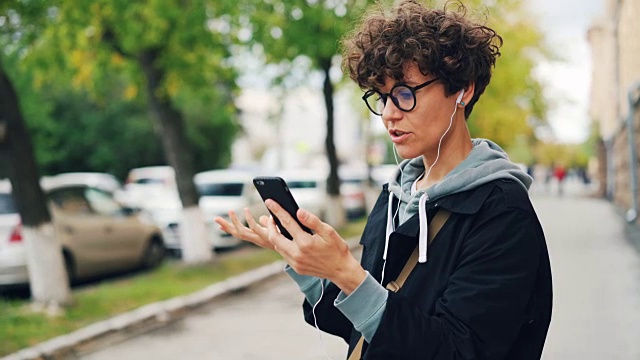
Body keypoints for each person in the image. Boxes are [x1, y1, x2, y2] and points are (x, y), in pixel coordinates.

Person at [215, 1, 552, 359]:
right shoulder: (395, 197)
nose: (390, 114)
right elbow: (359, 326)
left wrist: (348, 275)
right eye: (382, 97)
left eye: (406, 93)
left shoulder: (501, 213)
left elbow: (458, 351)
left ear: (463, 90)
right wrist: (309, 265)